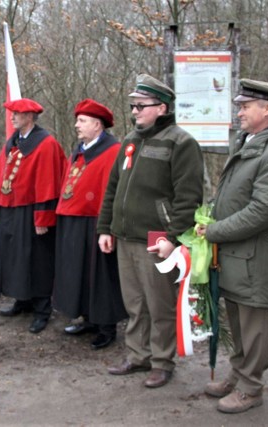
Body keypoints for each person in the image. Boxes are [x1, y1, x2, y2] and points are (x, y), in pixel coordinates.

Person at [196, 79, 268, 414]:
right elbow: (234, 196)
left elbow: (264, 211)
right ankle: (238, 374)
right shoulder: (251, 142)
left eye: (245, 106)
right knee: (238, 319)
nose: (239, 112)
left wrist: (214, 231)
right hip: (236, 252)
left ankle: (251, 388)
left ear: (267, 109)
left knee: (254, 323)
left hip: (257, 255)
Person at [97, 74, 204, 388]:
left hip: (158, 239)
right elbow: (113, 188)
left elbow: (188, 198)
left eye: (141, 106)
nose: (134, 111)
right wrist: (105, 227)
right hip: (125, 236)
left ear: (162, 107)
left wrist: (172, 239)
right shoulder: (130, 141)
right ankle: (138, 355)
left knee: (159, 303)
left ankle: (161, 362)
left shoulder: (181, 143)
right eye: (133, 106)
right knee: (134, 303)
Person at [0, 98, 67, 334]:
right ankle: (22, 300)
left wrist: (43, 217)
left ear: (29, 117)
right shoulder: (14, 141)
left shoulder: (46, 144)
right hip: (9, 209)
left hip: (30, 211)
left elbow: (48, 182)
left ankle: (42, 309)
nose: (12, 117)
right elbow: (0, 175)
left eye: (16, 113)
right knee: (13, 258)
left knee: (36, 260)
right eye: (12, 113)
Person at [53, 99, 127, 350]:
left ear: (97, 125)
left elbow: (115, 190)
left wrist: (108, 227)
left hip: (96, 220)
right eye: (78, 121)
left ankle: (106, 326)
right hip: (74, 218)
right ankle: (87, 317)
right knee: (79, 272)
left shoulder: (113, 151)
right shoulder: (80, 149)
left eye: (82, 121)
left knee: (100, 275)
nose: (76, 125)